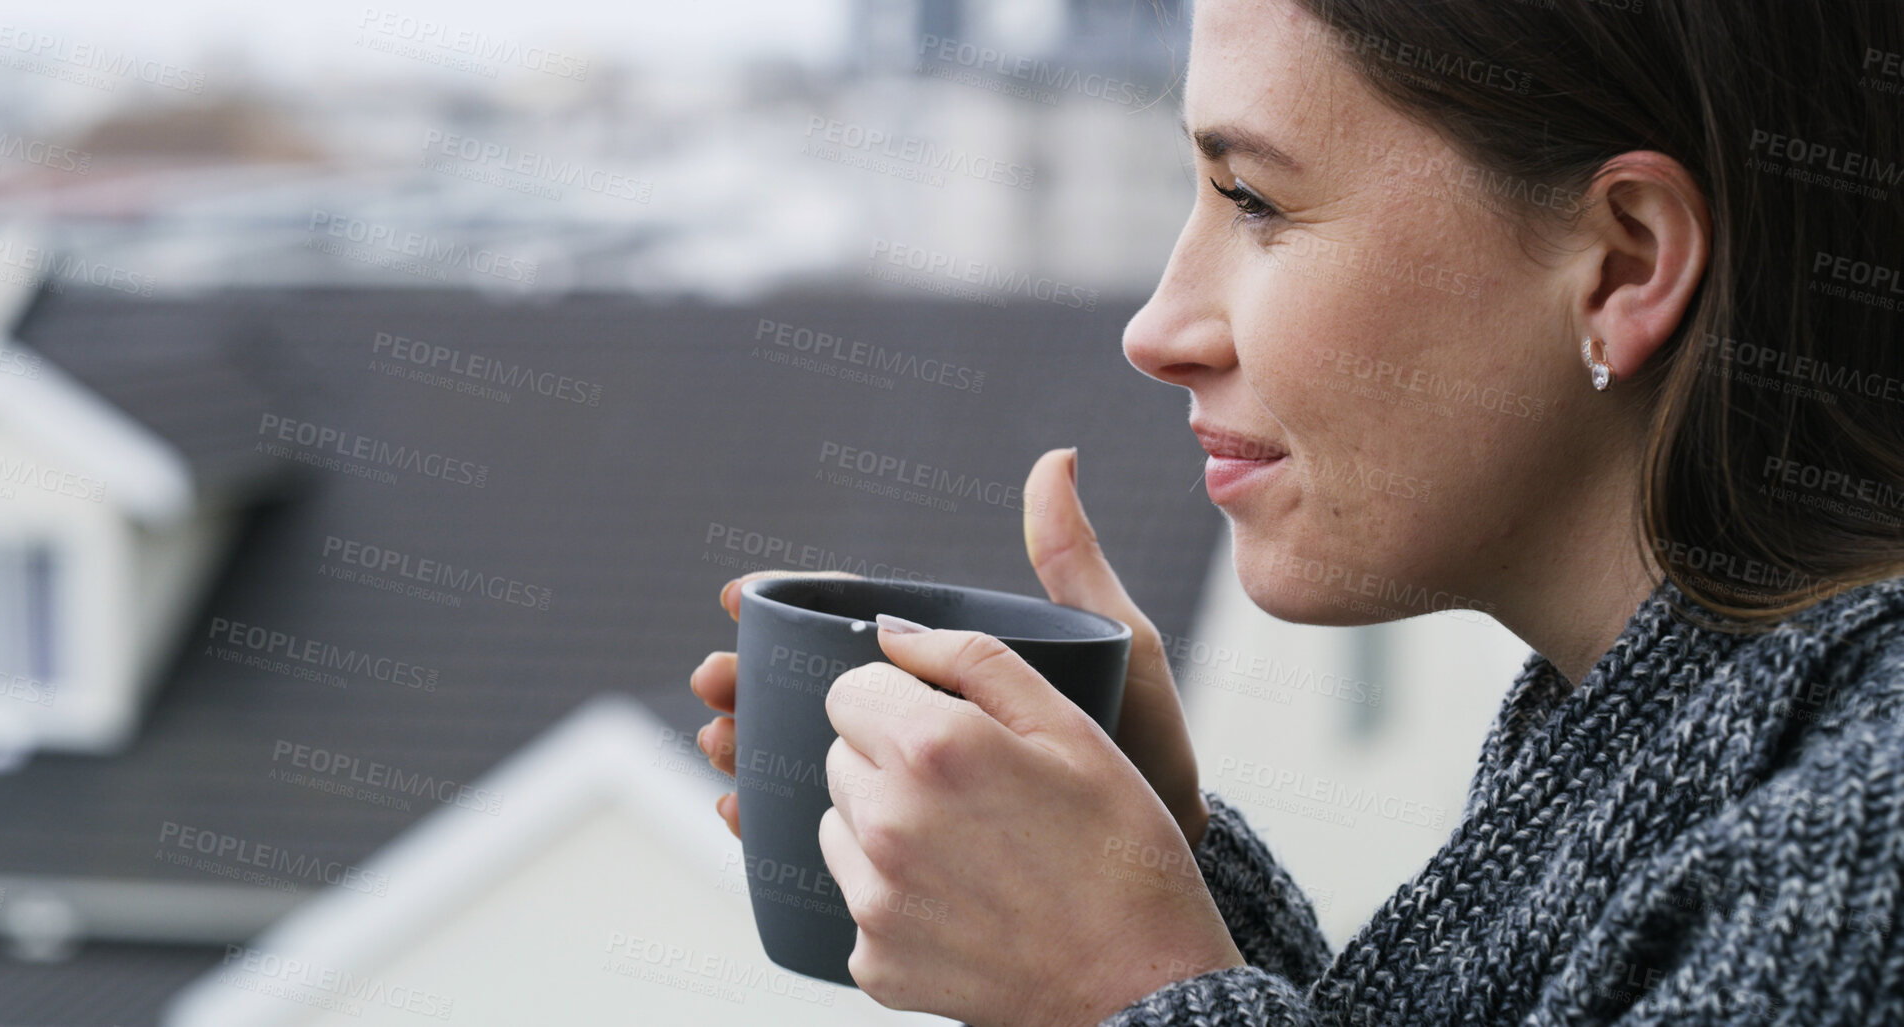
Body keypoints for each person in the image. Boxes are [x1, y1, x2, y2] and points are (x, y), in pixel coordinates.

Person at [689, 0, 1904, 1022]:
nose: (1156, 329)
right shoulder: (1673, 729)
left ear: (1626, 262)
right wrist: (1156, 866)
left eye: (1253, 200)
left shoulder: (1859, 828)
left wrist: (1122, 980)